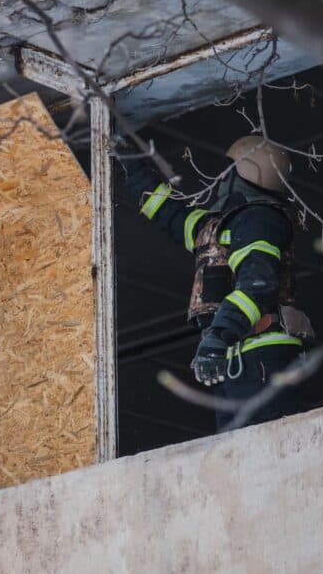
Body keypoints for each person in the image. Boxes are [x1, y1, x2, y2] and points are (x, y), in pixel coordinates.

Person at [119, 136, 311, 429]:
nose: (221, 179)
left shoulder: (258, 220)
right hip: (240, 359)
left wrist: (219, 335)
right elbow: (169, 213)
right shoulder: (221, 225)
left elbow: (258, 284)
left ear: (243, 173)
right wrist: (131, 165)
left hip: (264, 356)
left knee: (264, 450)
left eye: (228, 170)